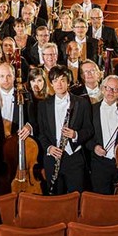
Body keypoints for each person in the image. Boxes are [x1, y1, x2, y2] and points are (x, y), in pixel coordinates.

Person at [36, 66, 93, 195]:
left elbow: (89, 130)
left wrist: (75, 135)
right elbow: (41, 133)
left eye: (63, 80)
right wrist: (49, 148)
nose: (59, 84)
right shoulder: (43, 105)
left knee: (76, 197)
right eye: (55, 81)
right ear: (51, 84)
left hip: (74, 158)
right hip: (53, 157)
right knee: (55, 200)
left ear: (68, 82)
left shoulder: (82, 103)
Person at [86, 75, 118, 195]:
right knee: (101, 201)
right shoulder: (91, 110)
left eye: (115, 89)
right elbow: (86, 136)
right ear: (102, 89)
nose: (111, 92)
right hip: (99, 163)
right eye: (108, 88)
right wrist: (94, 147)